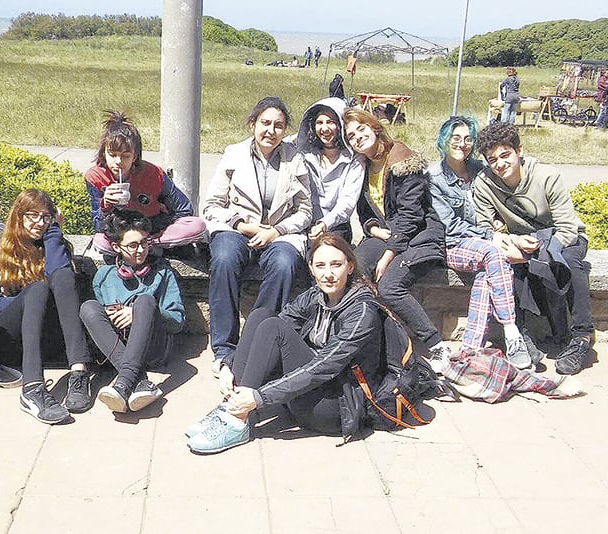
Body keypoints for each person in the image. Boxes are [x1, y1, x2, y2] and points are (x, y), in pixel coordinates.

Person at [185, 233, 383, 454]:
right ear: (311, 268)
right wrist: (227, 366)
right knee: (262, 315)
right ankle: (231, 406)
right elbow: (281, 321)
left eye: (336, 265)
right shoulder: (316, 295)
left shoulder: (362, 311)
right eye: (320, 265)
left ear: (350, 266)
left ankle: (237, 418)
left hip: (336, 408)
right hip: (310, 390)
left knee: (275, 329)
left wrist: (259, 397)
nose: (328, 274)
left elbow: (325, 367)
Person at [202, 96, 312, 374]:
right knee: (224, 258)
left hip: (279, 232)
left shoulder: (294, 159)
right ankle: (224, 348)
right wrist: (242, 225)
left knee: (284, 264)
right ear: (253, 124)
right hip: (237, 228)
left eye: (278, 125)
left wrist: (276, 231)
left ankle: (257, 340)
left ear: (285, 130)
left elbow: (305, 210)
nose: (270, 131)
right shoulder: (234, 154)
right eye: (265, 123)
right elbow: (212, 204)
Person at [472, 124, 593, 375]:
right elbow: (484, 227)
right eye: (492, 159)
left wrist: (539, 254)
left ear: (519, 151)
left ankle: (581, 337)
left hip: (562, 239)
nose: (500, 164)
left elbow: (568, 229)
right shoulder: (484, 183)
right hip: (524, 241)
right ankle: (521, 336)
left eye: (506, 155)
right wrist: (513, 241)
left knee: (570, 266)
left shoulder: (547, 176)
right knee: (506, 266)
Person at [341, 108, 450, 369]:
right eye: (351, 136)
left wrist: (389, 252)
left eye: (361, 129)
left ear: (375, 128)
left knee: (389, 287)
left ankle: (437, 346)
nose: (357, 137)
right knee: (351, 269)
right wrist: (375, 230)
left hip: (417, 237)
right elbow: (365, 213)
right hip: (387, 234)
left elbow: (412, 215)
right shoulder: (363, 168)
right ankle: (359, 339)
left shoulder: (402, 159)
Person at [0, 189, 94, 424]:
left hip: (46, 343)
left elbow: (61, 278)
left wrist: (53, 234)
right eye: (32, 215)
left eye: (46, 217)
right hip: (5, 341)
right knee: (38, 289)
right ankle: (32, 389)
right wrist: (29, 299)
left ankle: (79, 372)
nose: (39, 223)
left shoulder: (53, 244)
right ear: (18, 215)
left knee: (61, 277)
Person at [427, 116, 534, 371]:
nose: (462, 144)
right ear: (444, 141)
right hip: (452, 245)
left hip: (485, 246)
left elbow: (499, 203)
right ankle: (512, 332)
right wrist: (490, 236)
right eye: (455, 138)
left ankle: (471, 347)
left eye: (467, 139)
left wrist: (498, 225)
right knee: (493, 254)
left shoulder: (480, 170)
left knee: (489, 268)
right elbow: (450, 227)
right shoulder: (434, 178)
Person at [80, 210, 184, 413]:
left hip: (153, 349)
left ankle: (123, 383)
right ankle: (140, 381)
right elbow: (99, 322)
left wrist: (139, 313)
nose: (141, 250)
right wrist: (109, 315)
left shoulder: (163, 273)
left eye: (145, 243)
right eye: (133, 245)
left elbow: (177, 321)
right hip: (118, 349)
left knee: (144, 301)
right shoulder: (103, 276)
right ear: (116, 247)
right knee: (88, 307)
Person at [84, 111, 206, 258]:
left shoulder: (153, 174)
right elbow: (98, 226)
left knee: (197, 225)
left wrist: (156, 222)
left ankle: (146, 244)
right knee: (100, 242)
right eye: (112, 154)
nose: (118, 161)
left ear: (135, 156)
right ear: (104, 153)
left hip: (152, 227)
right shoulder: (95, 176)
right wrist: (106, 205)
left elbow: (184, 208)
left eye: (126, 156)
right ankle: (138, 246)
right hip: (120, 230)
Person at [295, 97, 365, 243]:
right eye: (319, 123)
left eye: (331, 122)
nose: (324, 129)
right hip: (304, 222)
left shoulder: (355, 159)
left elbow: (347, 202)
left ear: (340, 125)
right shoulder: (305, 153)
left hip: (336, 226)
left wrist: (325, 223)